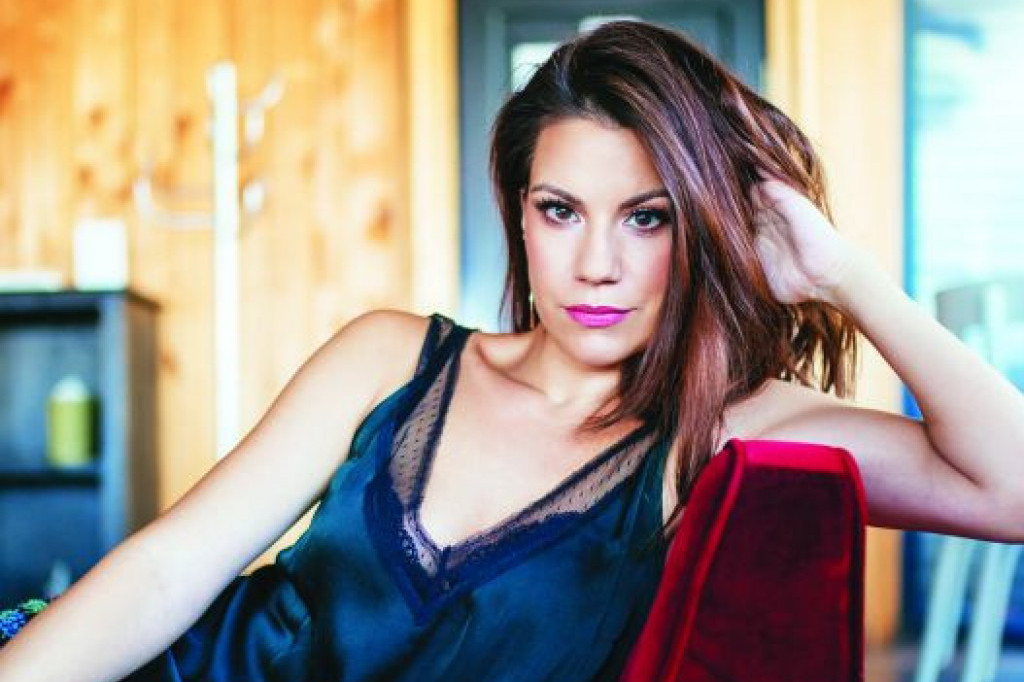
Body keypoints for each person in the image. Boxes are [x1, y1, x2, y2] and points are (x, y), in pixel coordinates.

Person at [2, 18, 1022, 682]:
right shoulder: (391, 357)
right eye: (559, 210)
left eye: (647, 218)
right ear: (520, 216)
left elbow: (1009, 490)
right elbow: (168, 570)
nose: (596, 265)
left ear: (701, 230)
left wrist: (842, 274)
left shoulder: (718, 427)